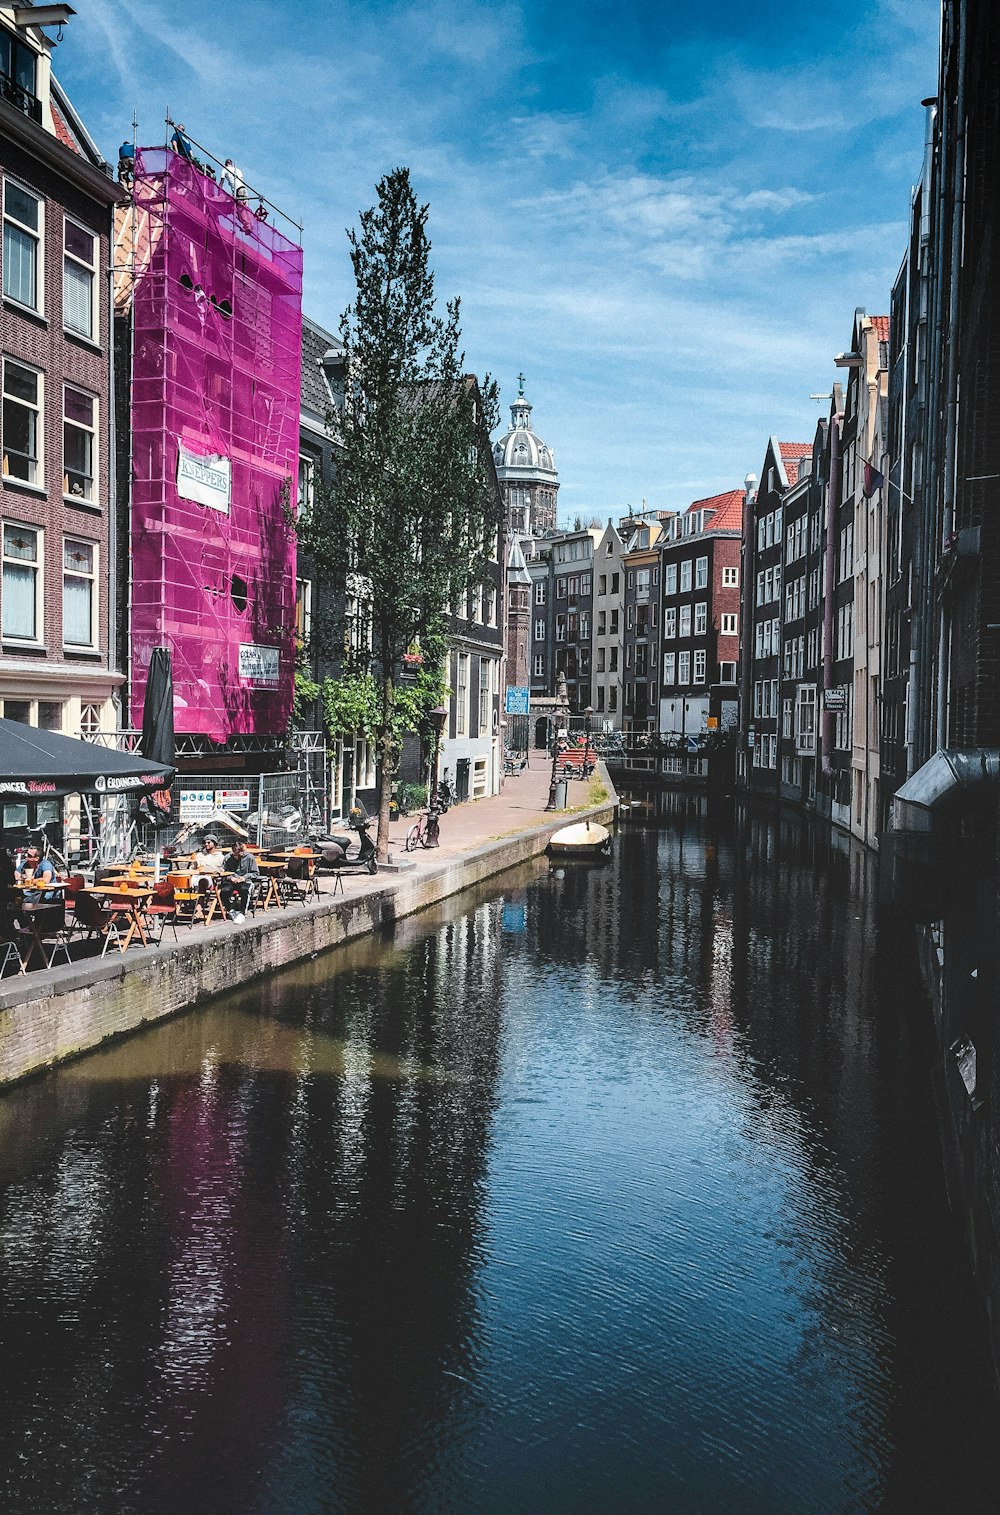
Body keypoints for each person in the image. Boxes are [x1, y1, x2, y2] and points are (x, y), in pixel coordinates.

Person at [220, 841, 258, 922]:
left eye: (239, 854)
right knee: (224, 890)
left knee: (245, 889)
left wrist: (245, 877)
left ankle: (243, 911)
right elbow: (223, 872)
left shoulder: (250, 858)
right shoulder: (227, 858)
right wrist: (230, 878)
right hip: (231, 880)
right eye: (235, 854)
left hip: (245, 880)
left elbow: (255, 873)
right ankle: (230, 909)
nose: (237, 857)